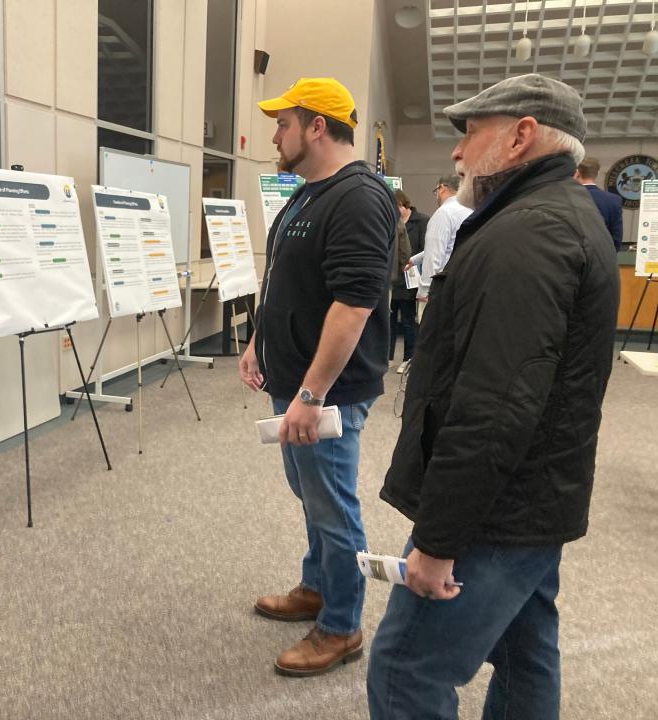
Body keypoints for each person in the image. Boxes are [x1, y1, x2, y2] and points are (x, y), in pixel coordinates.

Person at [367, 73, 619, 719]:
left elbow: (493, 406)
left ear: (521, 136)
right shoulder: (555, 217)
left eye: (472, 132)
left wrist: (439, 541)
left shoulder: (527, 235)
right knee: (526, 651)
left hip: (497, 512)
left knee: (406, 671)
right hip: (535, 499)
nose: (457, 152)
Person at [238, 77, 396, 676]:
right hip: (295, 381)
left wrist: (310, 393)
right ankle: (318, 584)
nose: (275, 135)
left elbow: (353, 306)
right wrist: (259, 340)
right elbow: (285, 280)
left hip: (327, 391)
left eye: (284, 123)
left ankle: (342, 626)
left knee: (331, 502)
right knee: (310, 493)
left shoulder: (358, 197)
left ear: (317, 126)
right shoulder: (308, 193)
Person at [410, 175, 471, 320]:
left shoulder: (444, 213)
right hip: (464, 283)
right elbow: (451, 245)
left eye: (436, 191)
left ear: (442, 188)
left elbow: (435, 253)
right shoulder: (469, 211)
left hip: (441, 289)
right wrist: (415, 259)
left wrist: (425, 290)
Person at [389, 190, 427, 374]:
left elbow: (423, 249)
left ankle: (408, 358)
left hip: (410, 278)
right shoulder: (390, 220)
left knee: (407, 320)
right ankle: (386, 358)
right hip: (391, 279)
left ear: (404, 205)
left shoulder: (421, 221)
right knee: (388, 319)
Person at [575, 157, 623, 250]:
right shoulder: (613, 200)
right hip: (603, 256)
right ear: (597, 174)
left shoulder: (566, 198)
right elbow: (616, 238)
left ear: (577, 173)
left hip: (572, 258)